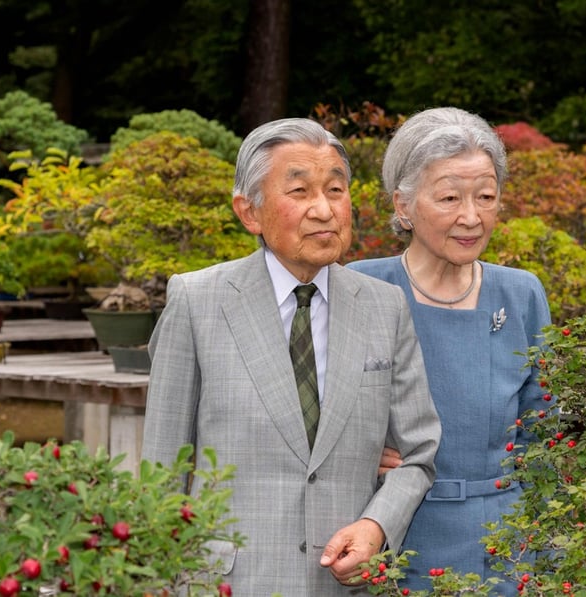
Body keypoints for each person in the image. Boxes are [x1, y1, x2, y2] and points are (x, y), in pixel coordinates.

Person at [141, 117, 441, 597]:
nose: (323, 210)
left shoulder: (383, 306)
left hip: (345, 581)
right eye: (299, 192)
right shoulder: (197, 301)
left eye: (336, 190)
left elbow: (419, 455)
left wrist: (375, 527)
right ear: (249, 212)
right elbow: (162, 467)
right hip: (226, 581)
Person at [348, 107, 550, 594]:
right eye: (450, 198)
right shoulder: (363, 289)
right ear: (404, 205)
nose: (471, 217)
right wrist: (356, 449)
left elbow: (546, 429)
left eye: (486, 197)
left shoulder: (520, 294)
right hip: (397, 533)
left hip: (508, 538)